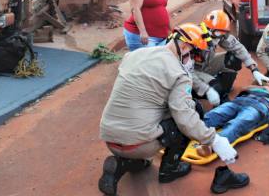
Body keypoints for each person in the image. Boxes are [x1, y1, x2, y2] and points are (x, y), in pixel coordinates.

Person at [99, 24, 248, 196]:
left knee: (142, 152)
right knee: (193, 110)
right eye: (193, 54)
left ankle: (121, 164)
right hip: (139, 144)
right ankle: (170, 169)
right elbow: (185, 119)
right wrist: (214, 140)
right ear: (183, 46)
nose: (193, 60)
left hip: (109, 136)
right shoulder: (179, 74)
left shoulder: (133, 55)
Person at [192, 10, 269, 105]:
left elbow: (238, 48)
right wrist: (205, 87)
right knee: (215, 87)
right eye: (219, 33)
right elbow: (183, 71)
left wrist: (254, 70)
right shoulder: (193, 38)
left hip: (205, 65)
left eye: (223, 33)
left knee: (234, 58)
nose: (222, 36)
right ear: (209, 29)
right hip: (191, 73)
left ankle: (223, 90)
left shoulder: (217, 35)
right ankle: (199, 94)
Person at [204, 76, 269, 145]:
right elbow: (243, 89)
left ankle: (214, 144)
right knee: (213, 115)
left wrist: (266, 83)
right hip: (239, 101)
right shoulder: (262, 86)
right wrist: (260, 84)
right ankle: (195, 130)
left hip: (260, 107)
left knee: (237, 123)